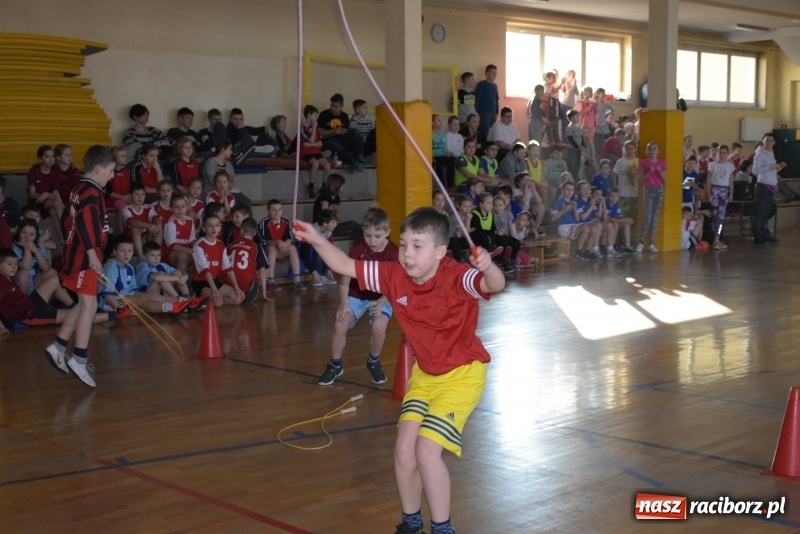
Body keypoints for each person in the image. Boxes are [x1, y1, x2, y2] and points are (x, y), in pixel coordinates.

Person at [294, 207, 505, 534]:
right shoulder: (394, 275)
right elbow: (345, 265)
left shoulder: (457, 276)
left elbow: (495, 284)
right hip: (425, 376)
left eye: (417, 246)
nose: (407, 253)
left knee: (426, 450)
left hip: (462, 376)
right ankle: (411, 524)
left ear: (440, 252)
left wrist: (488, 266)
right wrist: (315, 238)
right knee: (405, 449)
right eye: (404, 244)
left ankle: (442, 529)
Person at [43, 145, 115, 387]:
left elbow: (68, 220)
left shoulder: (78, 188)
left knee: (83, 304)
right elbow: (85, 224)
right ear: (99, 169)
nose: (112, 175)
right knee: (90, 306)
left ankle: (58, 346)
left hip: (75, 255)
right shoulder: (93, 193)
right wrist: (93, 255)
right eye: (111, 170)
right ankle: (79, 359)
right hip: (84, 259)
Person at [316, 206, 398, 386]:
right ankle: (335, 365)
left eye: (377, 236)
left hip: (383, 296)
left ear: (387, 232)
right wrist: (344, 303)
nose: (372, 241)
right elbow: (345, 276)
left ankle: (373, 361)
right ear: (363, 231)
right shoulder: (358, 247)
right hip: (357, 294)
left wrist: (381, 301)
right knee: (339, 324)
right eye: (368, 235)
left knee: (379, 327)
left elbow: (395, 285)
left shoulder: (393, 252)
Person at [0, 248, 124, 335]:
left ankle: (75, 307)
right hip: (29, 315)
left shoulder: (6, 278)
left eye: (15, 264)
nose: (14, 267)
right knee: (79, 316)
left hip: (31, 303)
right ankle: (115, 314)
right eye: (9, 264)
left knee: (53, 280)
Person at [99, 234, 203, 317]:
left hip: (126, 297)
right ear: (114, 252)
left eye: (129, 251)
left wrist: (143, 296)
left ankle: (184, 303)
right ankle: (171, 307)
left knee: (151, 296)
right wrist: (120, 310)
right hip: (111, 303)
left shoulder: (129, 267)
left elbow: (133, 290)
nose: (126, 254)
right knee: (142, 299)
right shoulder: (111, 267)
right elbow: (107, 296)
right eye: (122, 251)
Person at [193, 213, 245, 306]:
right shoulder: (199, 245)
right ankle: (199, 298)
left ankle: (216, 300)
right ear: (204, 228)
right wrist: (214, 290)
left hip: (215, 280)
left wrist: (236, 287)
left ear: (220, 228)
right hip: (201, 283)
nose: (214, 228)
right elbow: (205, 270)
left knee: (239, 297)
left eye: (216, 225)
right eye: (210, 225)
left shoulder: (221, 245)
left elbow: (228, 268)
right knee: (217, 303)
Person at [258, 199, 306, 290]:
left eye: (279, 209)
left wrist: (284, 244)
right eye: (273, 210)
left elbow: (289, 238)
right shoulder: (264, 222)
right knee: (272, 249)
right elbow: (265, 241)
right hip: (268, 252)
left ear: (282, 211)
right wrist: (278, 242)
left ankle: (297, 280)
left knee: (292, 247)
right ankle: (271, 281)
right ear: (268, 211)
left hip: (281, 249)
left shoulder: (285, 221)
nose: (277, 212)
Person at [469, 192, 517, 273]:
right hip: (475, 237)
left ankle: (501, 263)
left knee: (503, 239)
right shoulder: (475, 214)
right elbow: (479, 230)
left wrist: (497, 232)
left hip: (487, 236)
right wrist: (492, 234)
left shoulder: (490, 214)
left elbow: (492, 230)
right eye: (489, 203)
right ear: (481, 204)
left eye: (492, 203)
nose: (492, 205)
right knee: (482, 235)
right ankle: (489, 248)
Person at [318, 93, 366, 171]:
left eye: (336, 107)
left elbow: (347, 130)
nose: (333, 108)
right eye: (331, 106)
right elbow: (320, 132)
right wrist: (334, 131)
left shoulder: (344, 116)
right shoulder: (324, 114)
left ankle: (360, 155)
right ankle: (353, 162)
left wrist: (343, 131)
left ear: (341, 106)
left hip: (341, 139)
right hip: (327, 141)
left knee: (355, 131)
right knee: (337, 146)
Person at [752, 132, 783, 244]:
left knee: (768, 210)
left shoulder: (771, 153)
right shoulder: (760, 153)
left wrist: (778, 167)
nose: (769, 142)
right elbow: (755, 171)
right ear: (763, 141)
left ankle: (765, 233)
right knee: (761, 211)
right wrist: (771, 166)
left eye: (771, 141)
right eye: (767, 140)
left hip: (771, 184)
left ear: (774, 142)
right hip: (763, 185)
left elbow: (770, 170)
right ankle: (757, 235)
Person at [27, 145, 64, 239]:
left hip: (48, 201)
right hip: (36, 201)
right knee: (55, 203)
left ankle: (62, 240)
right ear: (40, 159)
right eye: (47, 156)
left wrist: (46, 194)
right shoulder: (34, 171)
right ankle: (68, 225)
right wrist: (44, 196)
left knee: (53, 210)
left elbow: (55, 194)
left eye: (52, 156)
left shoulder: (55, 171)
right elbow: (32, 194)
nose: (51, 159)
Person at [228, 217, 269, 303]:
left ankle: (241, 293)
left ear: (241, 230)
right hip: (245, 280)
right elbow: (262, 270)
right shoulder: (256, 247)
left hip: (229, 281)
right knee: (263, 267)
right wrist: (264, 294)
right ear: (255, 233)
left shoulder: (232, 244)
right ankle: (249, 289)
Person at [636, 141, 667, 253]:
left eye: (654, 149)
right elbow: (640, 179)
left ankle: (651, 243)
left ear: (658, 151)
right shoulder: (643, 163)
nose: (652, 151)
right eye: (650, 149)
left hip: (658, 189)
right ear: (647, 151)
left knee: (655, 217)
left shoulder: (662, 162)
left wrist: (659, 172)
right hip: (648, 189)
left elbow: (664, 180)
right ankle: (641, 242)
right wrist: (649, 172)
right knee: (647, 217)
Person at [299, 104, 332, 198]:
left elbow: (320, 144)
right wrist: (313, 128)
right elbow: (311, 140)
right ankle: (311, 185)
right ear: (309, 115)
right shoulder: (302, 128)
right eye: (315, 115)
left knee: (327, 166)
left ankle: (324, 186)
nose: (316, 117)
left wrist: (312, 145)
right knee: (315, 164)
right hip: (306, 153)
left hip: (316, 152)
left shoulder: (316, 128)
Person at [301, 209, 339, 289]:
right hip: (308, 254)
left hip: (315, 253)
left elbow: (330, 250)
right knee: (319, 250)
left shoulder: (329, 232)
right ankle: (316, 276)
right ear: (325, 224)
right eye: (333, 222)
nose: (336, 224)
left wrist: (328, 269)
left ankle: (323, 276)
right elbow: (304, 253)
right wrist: (313, 271)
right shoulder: (312, 231)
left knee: (326, 250)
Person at [707, 145, 735, 251]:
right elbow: (708, 180)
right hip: (714, 190)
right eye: (720, 153)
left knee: (721, 216)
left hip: (724, 190)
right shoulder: (712, 165)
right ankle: (714, 237)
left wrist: (731, 193)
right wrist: (709, 193)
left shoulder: (729, 166)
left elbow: (731, 180)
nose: (722, 155)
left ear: (727, 154)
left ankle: (717, 238)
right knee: (714, 215)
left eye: (724, 153)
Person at [121, 182, 161, 257]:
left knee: (159, 229)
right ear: (130, 196)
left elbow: (156, 218)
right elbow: (132, 223)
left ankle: (154, 254)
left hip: (145, 237)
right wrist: (148, 226)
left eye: (142, 194)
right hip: (129, 239)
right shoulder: (126, 209)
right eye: (137, 194)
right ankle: (141, 256)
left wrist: (158, 225)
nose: (140, 197)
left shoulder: (147, 207)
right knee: (136, 229)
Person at [164, 193, 196, 273]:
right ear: (171, 209)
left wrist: (198, 248)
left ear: (186, 207)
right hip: (169, 254)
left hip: (185, 251)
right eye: (176, 207)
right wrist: (189, 250)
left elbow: (192, 240)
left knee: (203, 254)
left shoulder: (190, 220)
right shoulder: (171, 222)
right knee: (183, 255)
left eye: (183, 206)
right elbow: (172, 246)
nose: (180, 209)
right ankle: (180, 279)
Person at [612, 140, 639, 220]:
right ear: (624, 149)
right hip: (623, 193)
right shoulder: (620, 162)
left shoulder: (638, 161)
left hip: (635, 192)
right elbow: (614, 175)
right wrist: (614, 187)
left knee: (635, 215)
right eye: (627, 149)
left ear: (635, 149)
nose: (629, 151)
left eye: (631, 148)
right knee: (624, 215)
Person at [475, 64, 499, 140]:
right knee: (486, 133)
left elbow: (496, 100)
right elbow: (477, 99)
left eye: (496, 74)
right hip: (484, 113)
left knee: (493, 133)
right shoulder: (481, 85)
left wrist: (496, 112)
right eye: (493, 73)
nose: (495, 75)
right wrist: (476, 113)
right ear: (487, 73)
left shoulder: (495, 86)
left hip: (493, 113)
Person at [606, 188, 634, 253]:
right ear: (608, 196)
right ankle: (613, 245)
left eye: (616, 196)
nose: (614, 198)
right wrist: (622, 220)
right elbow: (607, 218)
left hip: (613, 221)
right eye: (611, 196)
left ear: (618, 197)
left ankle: (627, 245)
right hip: (606, 222)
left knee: (626, 223)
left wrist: (626, 219)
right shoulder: (606, 204)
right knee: (615, 224)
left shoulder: (617, 204)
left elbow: (620, 216)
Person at [105, 146, 133, 212]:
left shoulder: (128, 171)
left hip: (127, 197)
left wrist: (130, 195)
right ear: (114, 158)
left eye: (126, 156)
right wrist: (123, 198)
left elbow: (132, 187)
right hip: (113, 199)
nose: (125, 158)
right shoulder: (109, 172)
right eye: (122, 156)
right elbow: (108, 191)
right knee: (122, 205)